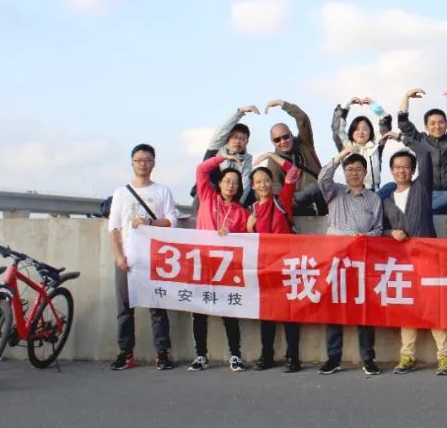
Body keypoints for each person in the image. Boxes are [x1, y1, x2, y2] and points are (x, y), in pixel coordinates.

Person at [108, 144, 179, 371]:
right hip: (128, 257)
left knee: (157, 307)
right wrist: (119, 256)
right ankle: (126, 352)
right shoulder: (121, 193)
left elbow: (171, 221)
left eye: (147, 160)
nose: (143, 164)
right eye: (138, 160)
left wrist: (150, 222)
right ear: (132, 163)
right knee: (124, 308)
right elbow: (114, 228)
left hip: (155, 258)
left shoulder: (162, 191)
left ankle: (162, 352)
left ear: (154, 163)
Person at [383, 149, 447, 376]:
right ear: (391, 170)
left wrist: (403, 137)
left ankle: (444, 356)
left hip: (427, 260)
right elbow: (379, 229)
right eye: (397, 167)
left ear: (413, 170)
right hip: (402, 263)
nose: (401, 171)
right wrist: (390, 233)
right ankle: (407, 357)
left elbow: (425, 155)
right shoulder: (386, 201)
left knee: (434, 308)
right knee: (407, 310)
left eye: (406, 167)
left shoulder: (422, 188)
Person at [317, 146, 384, 376]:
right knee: (334, 309)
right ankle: (333, 358)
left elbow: (379, 228)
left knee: (364, 310)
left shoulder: (374, 198)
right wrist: (341, 155)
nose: (354, 173)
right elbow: (322, 177)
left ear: (365, 173)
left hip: (362, 261)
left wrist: (364, 237)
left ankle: (368, 358)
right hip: (335, 261)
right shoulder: (334, 192)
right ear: (344, 172)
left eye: (358, 169)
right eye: (350, 169)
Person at [189, 154, 251, 373]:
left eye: (235, 183)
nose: (231, 185)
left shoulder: (242, 212)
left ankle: (235, 355)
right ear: (220, 183)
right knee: (199, 311)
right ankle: (200, 355)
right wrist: (222, 157)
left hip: (226, 269)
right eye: (227, 181)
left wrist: (232, 234)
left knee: (229, 312)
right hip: (203, 262)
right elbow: (201, 170)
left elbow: (246, 241)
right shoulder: (207, 197)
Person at [247, 152, 303, 373]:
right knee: (267, 314)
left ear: (272, 182)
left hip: (286, 265)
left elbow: (293, 172)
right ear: (253, 186)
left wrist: (270, 155)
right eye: (258, 182)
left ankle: (293, 357)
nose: (263, 185)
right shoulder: (252, 210)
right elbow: (250, 243)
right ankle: (267, 355)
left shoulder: (282, 200)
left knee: (289, 313)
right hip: (265, 267)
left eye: (266, 180)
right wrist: (249, 228)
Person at [389, 87, 447, 214]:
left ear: (446, 124)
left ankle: (425, 208)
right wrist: (406, 97)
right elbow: (403, 123)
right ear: (426, 127)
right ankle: (434, 207)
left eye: (441, 122)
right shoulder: (420, 140)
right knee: (415, 193)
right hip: (429, 193)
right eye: (432, 123)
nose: (437, 126)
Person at [264, 99, 326, 215]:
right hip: (298, 202)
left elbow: (303, 119)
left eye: (285, 137)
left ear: (291, 135)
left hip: (321, 195)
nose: (283, 141)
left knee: (315, 189)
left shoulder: (305, 143)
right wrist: (286, 200)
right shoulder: (273, 160)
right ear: (272, 142)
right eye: (277, 140)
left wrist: (282, 104)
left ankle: (325, 217)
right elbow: (276, 184)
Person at [192, 105, 258, 210]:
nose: (238, 141)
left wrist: (235, 207)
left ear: (247, 142)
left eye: (242, 139)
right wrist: (239, 112)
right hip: (210, 196)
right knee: (211, 184)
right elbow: (221, 132)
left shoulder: (247, 158)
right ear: (228, 138)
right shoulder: (216, 148)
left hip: (232, 196)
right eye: (235, 137)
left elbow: (245, 184)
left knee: (254, 189)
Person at [331, 96, 394, 191]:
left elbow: (385, 124)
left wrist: (374, 105)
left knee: (392, 186)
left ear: (370, 132)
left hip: (373, 193)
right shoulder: (346, 146)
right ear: (352, 132)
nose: (361, 132)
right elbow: (337, 129)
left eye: (365, 129)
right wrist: (347, 104)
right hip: (353, 193)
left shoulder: (376, 146)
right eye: (357, 129)